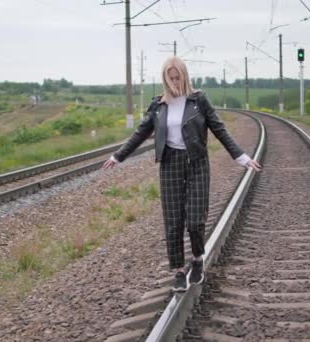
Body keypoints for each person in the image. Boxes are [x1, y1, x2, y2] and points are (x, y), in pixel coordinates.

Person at [102, 56, 261, 292]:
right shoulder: (158, 105)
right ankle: (178, 270)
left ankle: (197, 258)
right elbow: (140, 133)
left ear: (184, 76)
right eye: (170, 78)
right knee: (173, 221)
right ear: (165, 80)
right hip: (170, 164)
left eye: (177, 77)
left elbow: (219, 129)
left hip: (197, 162)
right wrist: (118, 156)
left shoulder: (199, 100)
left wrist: (241, 157)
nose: (174, 82)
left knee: (196, 220)